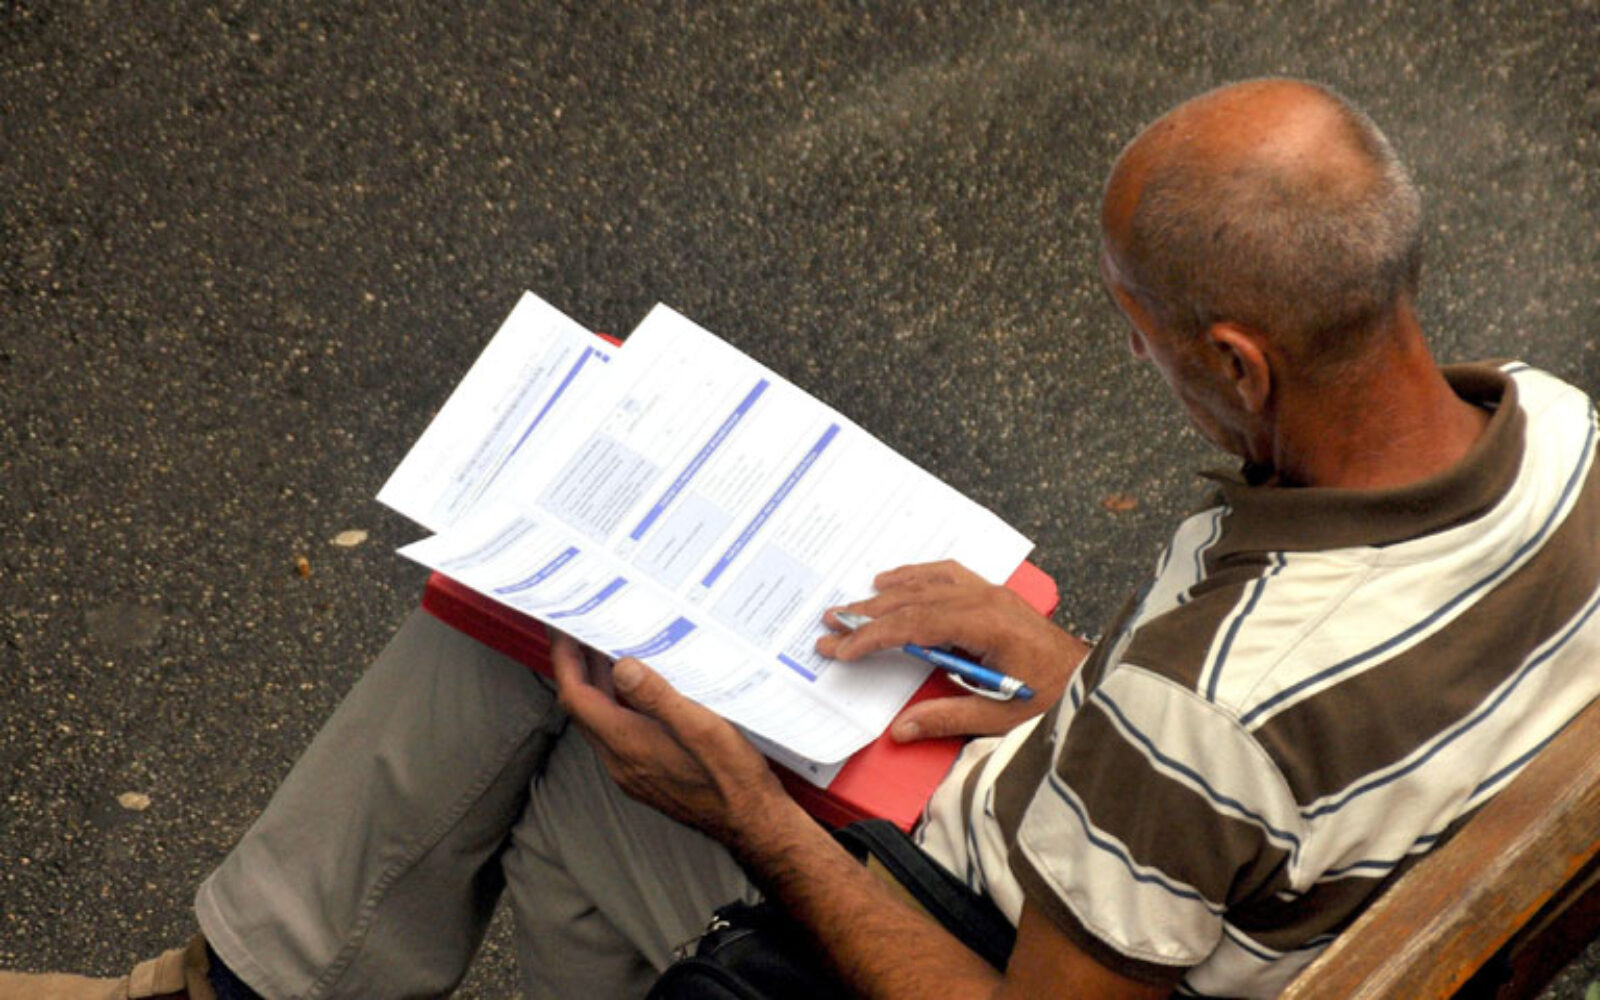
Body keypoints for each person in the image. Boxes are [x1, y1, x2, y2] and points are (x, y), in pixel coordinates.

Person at [8, 76, 1599, 1000]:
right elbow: (1315, 739)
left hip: (1012, 912)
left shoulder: (1209, 702)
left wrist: (754, 820)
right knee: (546, 662)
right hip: (1176, 860)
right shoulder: (1560, 435)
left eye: (1141, 328)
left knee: (567, 747)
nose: (1136, 353)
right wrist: (1083, 681)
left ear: (1239, 364)